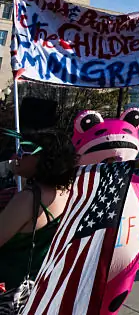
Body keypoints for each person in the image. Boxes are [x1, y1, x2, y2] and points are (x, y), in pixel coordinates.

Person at [0, 130, 77, 303]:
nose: (16, 155)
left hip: (12, 291)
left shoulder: (28, 199)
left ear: (43, 159)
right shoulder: (67, 192)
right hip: (42, 285)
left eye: (23, 151)